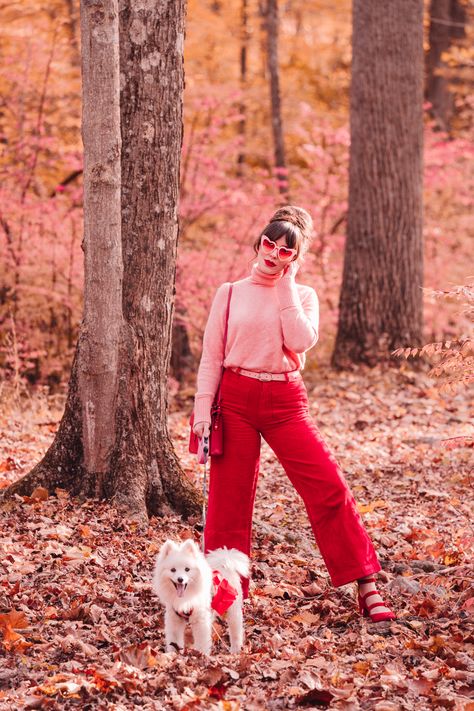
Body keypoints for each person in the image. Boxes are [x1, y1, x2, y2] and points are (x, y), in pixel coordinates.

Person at [192, 205, 395, 623]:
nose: (273, 253)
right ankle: (224, 591)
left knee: (328, 486)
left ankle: (367, 584)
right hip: (234, 399)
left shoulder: (302, 296)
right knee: (227, 504)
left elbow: (300, 342)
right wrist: (200, 411)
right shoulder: (229, 293)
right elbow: (211, 358)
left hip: (286, 402)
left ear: (294, 258)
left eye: (286, 251)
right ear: (258, 243)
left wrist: (286, 285)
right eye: (269, 244)